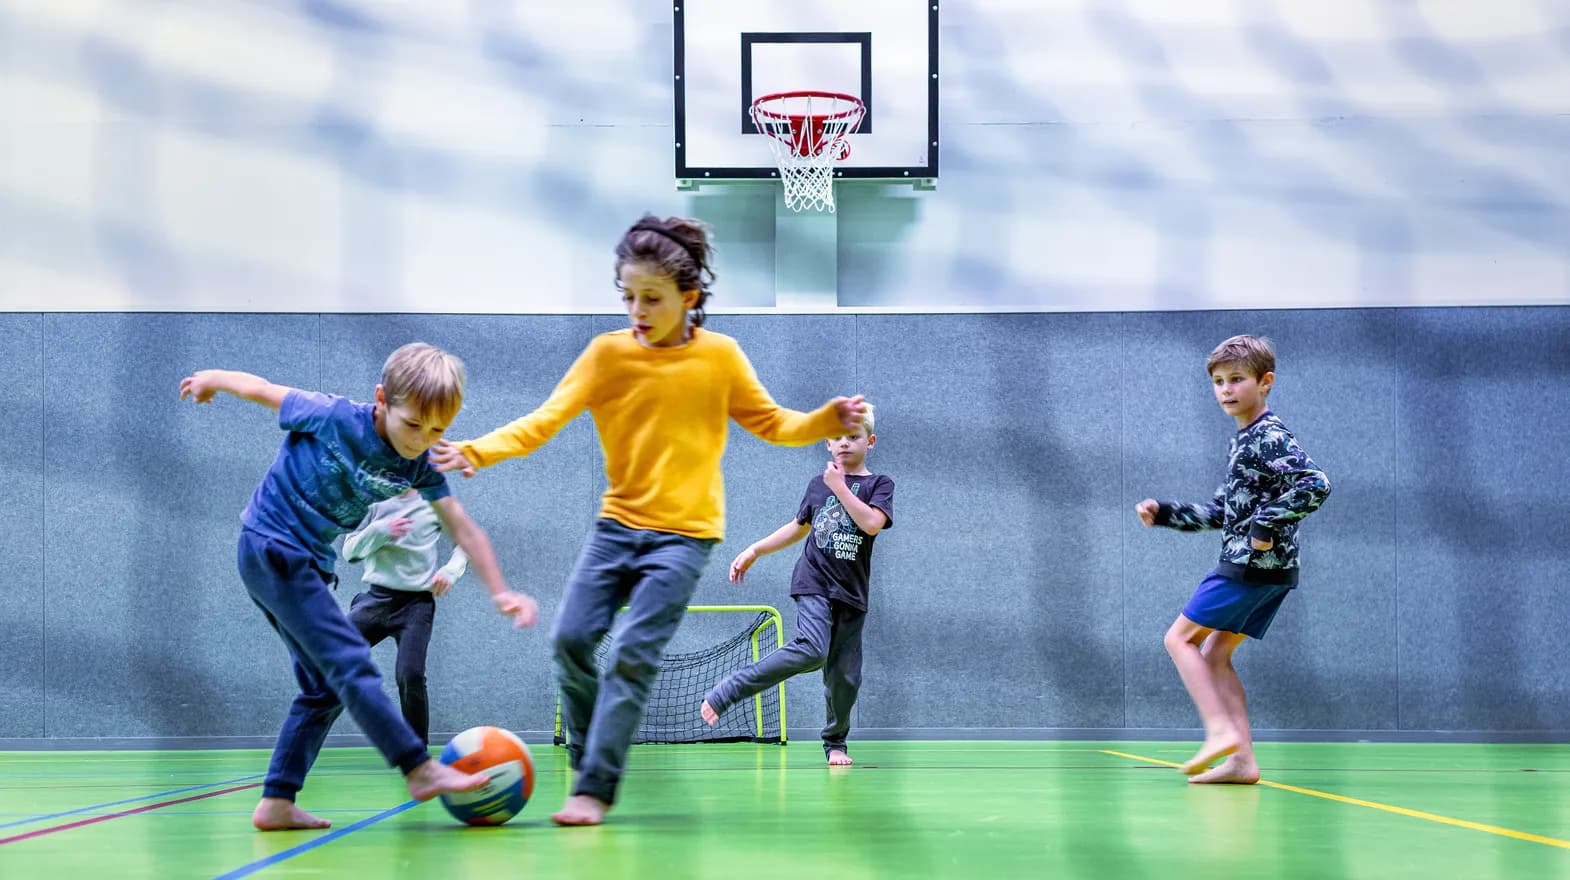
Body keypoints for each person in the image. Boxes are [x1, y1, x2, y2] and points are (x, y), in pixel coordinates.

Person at [431, 214, 866, 826]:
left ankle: (595, 787)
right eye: (628, 295)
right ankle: (588, 754)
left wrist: (825, 418)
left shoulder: (721, 358)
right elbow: (544, 420)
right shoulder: (606, 356)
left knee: (635, 652)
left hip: (685, 537)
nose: (637, 309)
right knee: (570, 642)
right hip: (617, 529)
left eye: (652, 298)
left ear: (688, 299)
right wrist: (474, 451)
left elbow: (774, 424)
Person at [179, 342, 537, 831]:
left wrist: (500, 591)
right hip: (272, 546)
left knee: (322, 688)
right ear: (382, 400)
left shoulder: (419, 464)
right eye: (413, 425)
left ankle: (277, 801)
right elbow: (261, 389)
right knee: (351, 661)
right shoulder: (331, 416)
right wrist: (211, 378)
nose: (421, 440)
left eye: (437, 430)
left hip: (303, 564)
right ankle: (418, 766)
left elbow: (462, 527)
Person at [1135, 335, 1330, 783]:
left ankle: (1219, 730)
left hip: (1251, 565)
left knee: (1178, 640)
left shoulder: (1268, 436)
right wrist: (1165, 514)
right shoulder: (1243, 441)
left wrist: (1266, 526)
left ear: (1265, 382)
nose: (1225, 389)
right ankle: (1242, 761)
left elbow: (1316, 483)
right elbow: (1223, 511)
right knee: (1216, 653)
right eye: (1219, 381)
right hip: (1270, 570)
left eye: (1236, 379)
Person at [701, 405, 893, 767]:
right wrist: (756, 549)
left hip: (852, 593)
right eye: (837, 437)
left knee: (845, 679)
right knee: (812, 649)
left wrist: (841, 487)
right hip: (814, 581)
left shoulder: (878, 485)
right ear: (826, 443)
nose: (844, 443)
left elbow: (870, 524)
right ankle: (732, 689)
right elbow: (798, 526)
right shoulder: (818, 486)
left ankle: (835, 741)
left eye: (853, 437)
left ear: (870, 441)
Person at [343, 488, 470, 745]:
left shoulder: (435, 501)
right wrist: (380, 530)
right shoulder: (369, 499)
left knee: (410, 675)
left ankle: (417, 755)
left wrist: (451, 571)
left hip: (415, 606)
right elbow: (349, 551)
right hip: (375, 602)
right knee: (328, 660)